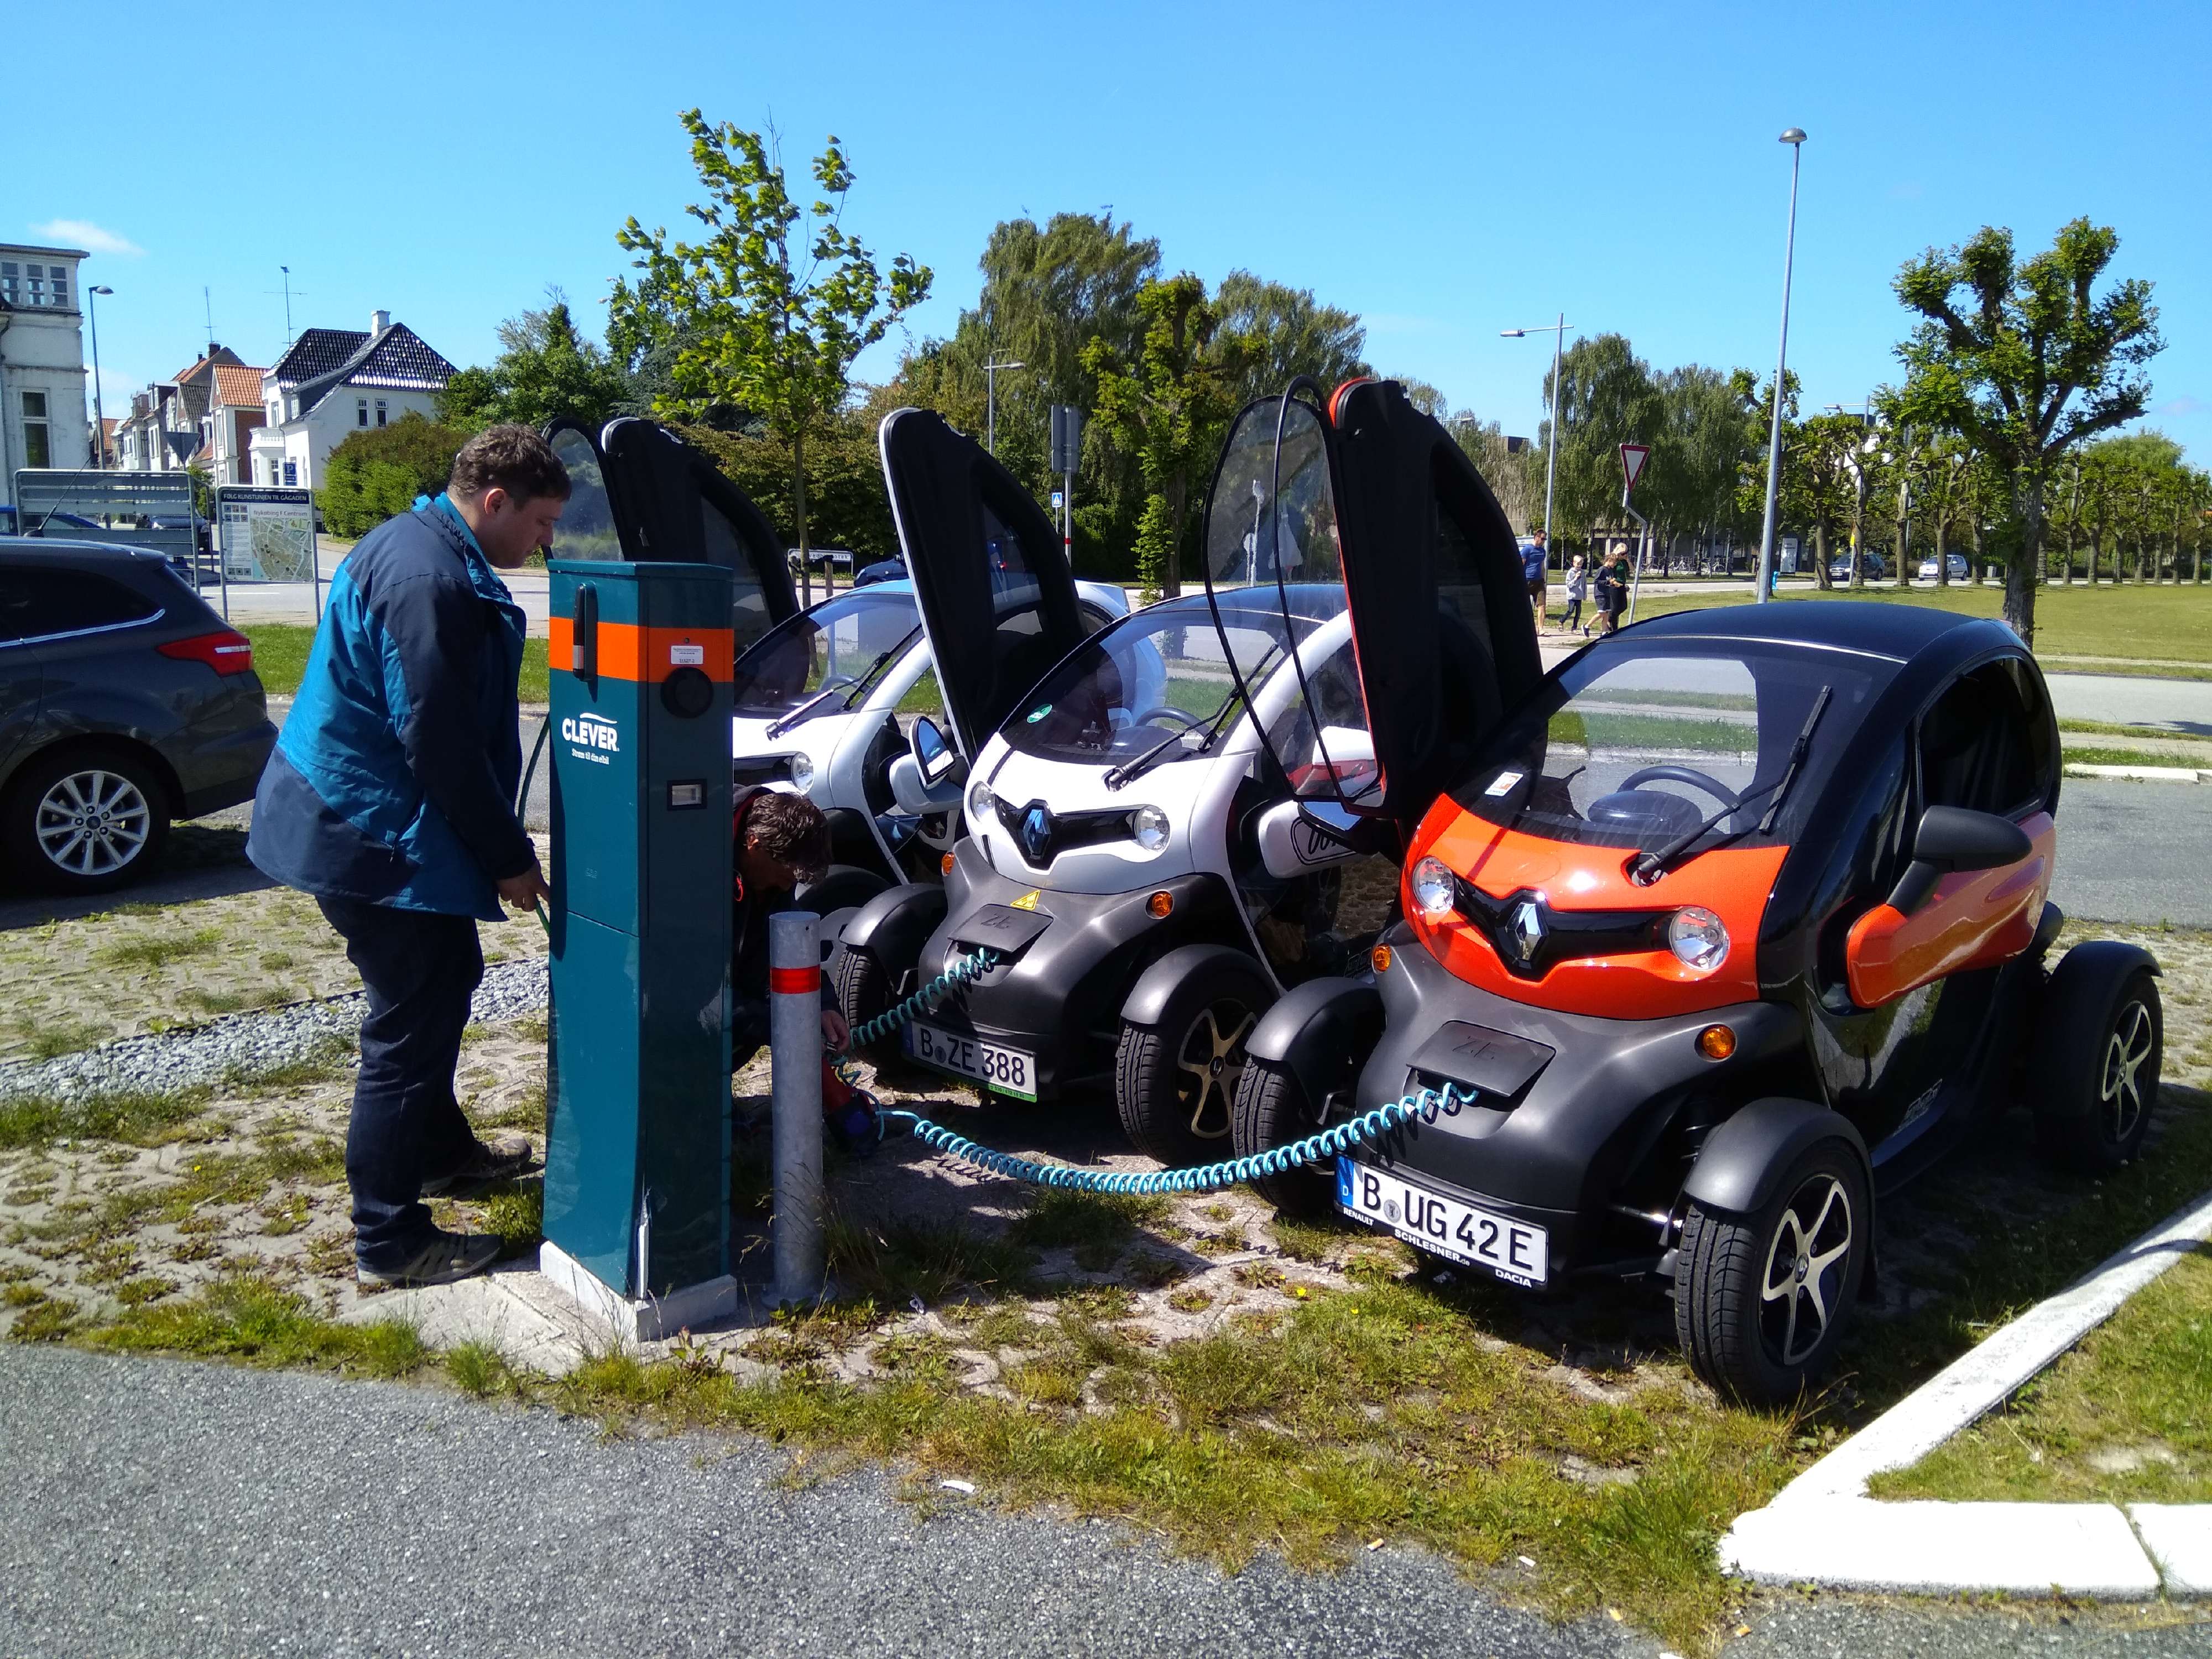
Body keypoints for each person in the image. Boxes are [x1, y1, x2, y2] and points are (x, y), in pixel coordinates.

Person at [246, 426, 563, 1288]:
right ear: (494, 501)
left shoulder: (417, 543)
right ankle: (389, 1240)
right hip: (362, 828)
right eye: (540, 522)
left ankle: (440, 1155)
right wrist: (508, 856)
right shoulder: (430, 579)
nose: (545, 542)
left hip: (348, 812)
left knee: (443, 979)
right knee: (410, 1024)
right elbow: (439, 741)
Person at [1521, 529, 1550, 633]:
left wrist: (1544, 579)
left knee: (1542, 605)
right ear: (1537, 537)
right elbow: (1521, 564)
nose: (1543, 541)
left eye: (1545, 539)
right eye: (1542, 538)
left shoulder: (1543, 551)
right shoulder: (1527, 549)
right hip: (1527, 580)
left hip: (1539, 582)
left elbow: (1542, 566)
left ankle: (1541, 629)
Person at [1562, 554, 1589, 637]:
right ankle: (1562, 621)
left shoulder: (1583, 572)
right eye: (1578, 564)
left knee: (1578, 613)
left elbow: (1584, 584)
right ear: (1574, 563)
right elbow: (1569, 585)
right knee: (1571, 610)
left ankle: (1574, 628)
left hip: (1579, 596)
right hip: (1572, 596)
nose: (1579, 566)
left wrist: (1585, 595)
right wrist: (1575, 578)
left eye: (1581, 564)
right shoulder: (1571, 572)